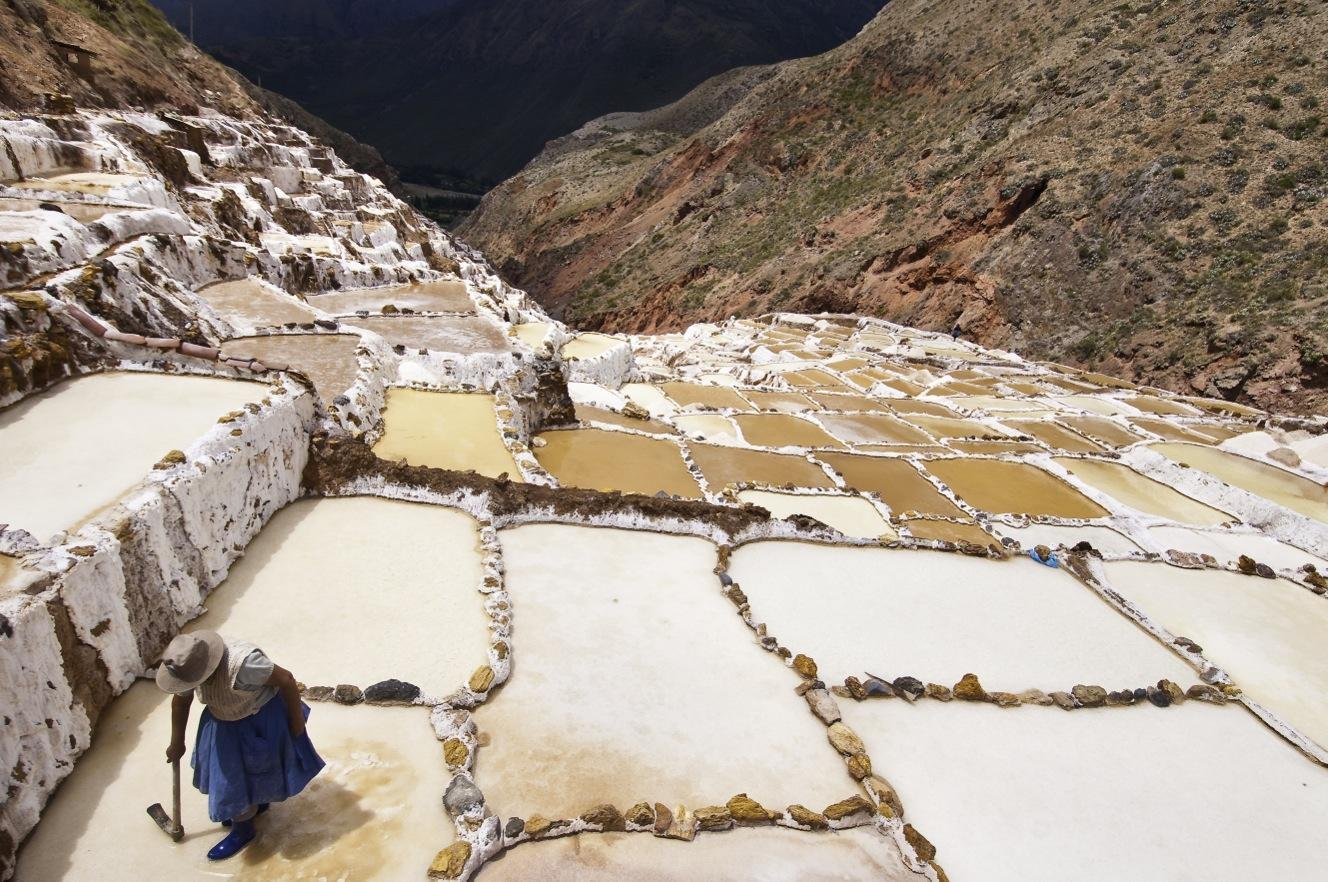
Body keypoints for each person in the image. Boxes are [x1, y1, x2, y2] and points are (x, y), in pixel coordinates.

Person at [157, 630, 325, 861]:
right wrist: (177, 742)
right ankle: (247, 810)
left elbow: (286, 680)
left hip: (261, 718)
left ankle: (243, 829)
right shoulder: (186, 666)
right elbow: (181, 702)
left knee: (252, 771)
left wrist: (296, 722)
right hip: (224, 720)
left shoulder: (245, 664)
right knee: (232, 778)